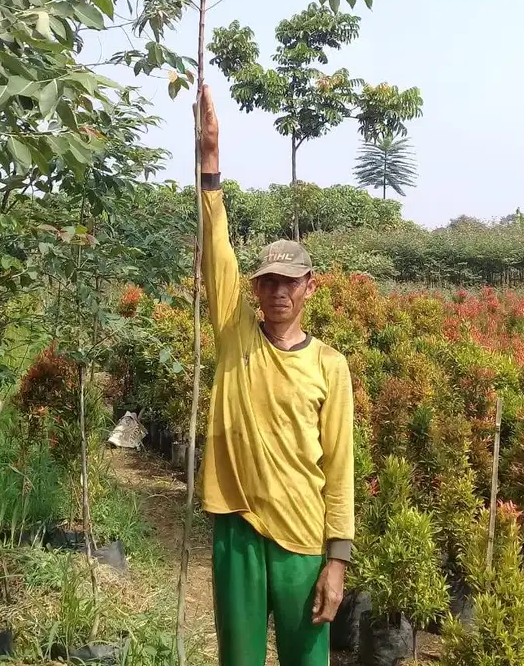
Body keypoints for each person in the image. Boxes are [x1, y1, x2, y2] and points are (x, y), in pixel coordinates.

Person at [197, 85, 354, 666]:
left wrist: (336, 560)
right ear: (255, 289)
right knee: (238, 659)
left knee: (304, 660)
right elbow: (217, 251)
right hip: (237, 525)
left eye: (290, 282)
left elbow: (339, 468)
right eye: (268, 282)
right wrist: (210, 164)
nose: (278, 291)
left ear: (310, 287)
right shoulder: (237, 338)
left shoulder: (329, 367)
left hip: (304, 540)